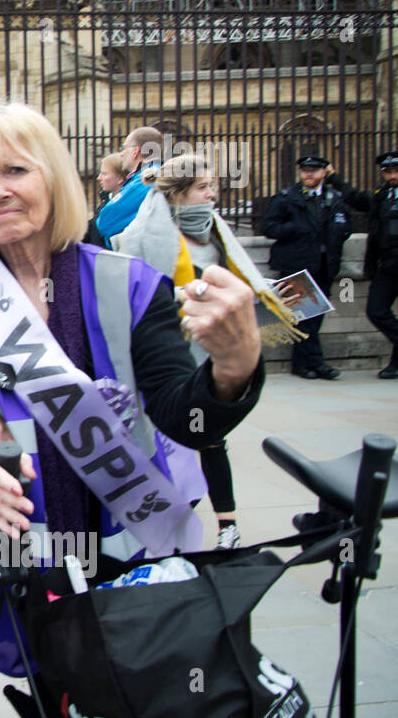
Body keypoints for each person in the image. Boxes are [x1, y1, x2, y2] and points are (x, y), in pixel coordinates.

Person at [0, 103, 265, 686]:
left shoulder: (127, 283)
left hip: (125, 552)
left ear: (52, 176)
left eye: (16, 171)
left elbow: (188, 421)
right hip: (22, 561)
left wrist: (235, 364)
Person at [113, 153, 303, 550]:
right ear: (179, 194)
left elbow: (237, 275)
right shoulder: (143, 237)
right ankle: (167, 525)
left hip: (212, 349)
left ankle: (227, 526)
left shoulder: (216, 229)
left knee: (212, 438)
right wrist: (188, 294)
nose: (212, 194)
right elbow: (133, 294)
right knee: (172, 441)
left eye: (213, 185)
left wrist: (266, 289)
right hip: (169, 354)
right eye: (203, 187)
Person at [259, 154, 352, 380]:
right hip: (296, 264)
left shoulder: (334, 197)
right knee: (304, 316)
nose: (308, 174)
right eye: (304, 170)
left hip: (324, 265)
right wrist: (295, 228)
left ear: (324, 173)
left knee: (315, 317)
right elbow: (269, 227)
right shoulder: (285, 197)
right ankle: (315, 364)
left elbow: (345, 226)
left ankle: (303, 364)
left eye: (314, 170)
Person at [325, 152, 398, 379]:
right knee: (376, 311)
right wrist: (333, 177)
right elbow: (355, 198)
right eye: (388, 172)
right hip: (387, 264)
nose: (392, 176)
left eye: (396, 171)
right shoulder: (382, 194)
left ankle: (396, 364)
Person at [93, 125, 163, 243]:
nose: (121, 154)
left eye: (123, 148)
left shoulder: (144, 180)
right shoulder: (152, 173)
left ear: (135, 151)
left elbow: (104, 222)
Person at [84, 152, 128, 247]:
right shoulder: (107, 199)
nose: (99, 178)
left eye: (104, 174)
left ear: (120, 178)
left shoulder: (122, 207)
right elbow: (92, 228)